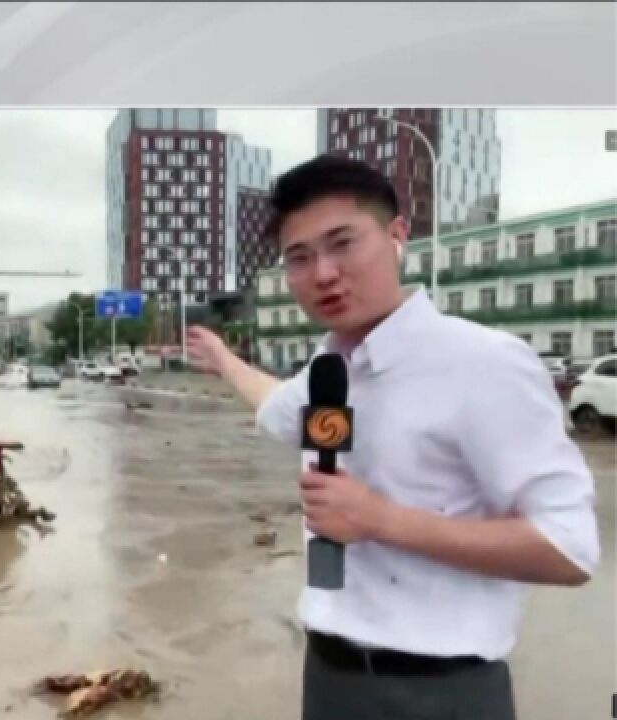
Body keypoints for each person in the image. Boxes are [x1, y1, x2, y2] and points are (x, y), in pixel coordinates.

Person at [186, 155, 598, 720]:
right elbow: (275, 405)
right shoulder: (329, 373)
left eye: (342, 243)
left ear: (397, 234)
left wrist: (381, 520)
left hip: (440, 692)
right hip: (329, 678)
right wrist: (223, 359)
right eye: (299, 258)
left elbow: (570, 549)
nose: (323, 273)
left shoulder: (485, 364)